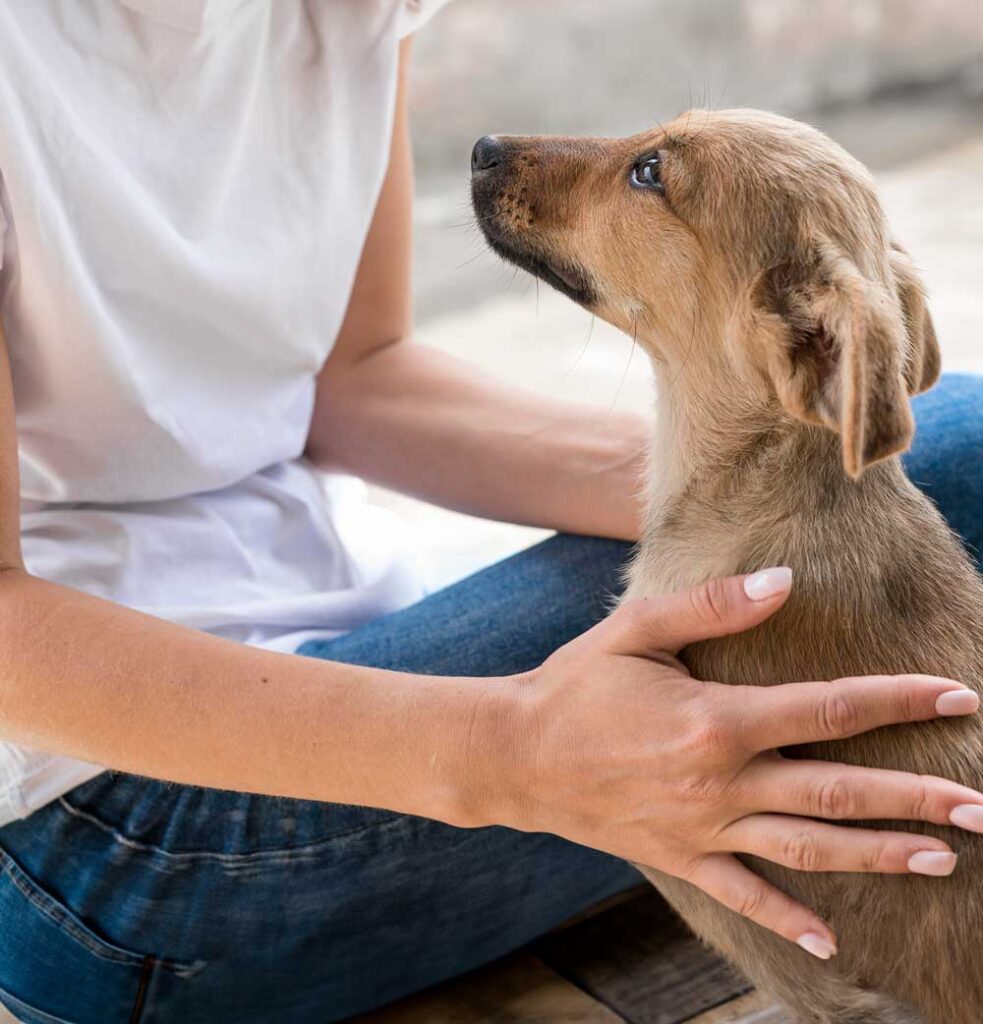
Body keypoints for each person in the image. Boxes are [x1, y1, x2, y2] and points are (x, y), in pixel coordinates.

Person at [0, 3, 981, 1022]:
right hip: (112, 822)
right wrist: (521, 753)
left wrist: (750, 474)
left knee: (958, 446)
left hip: (364, 639)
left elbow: (355, 379)